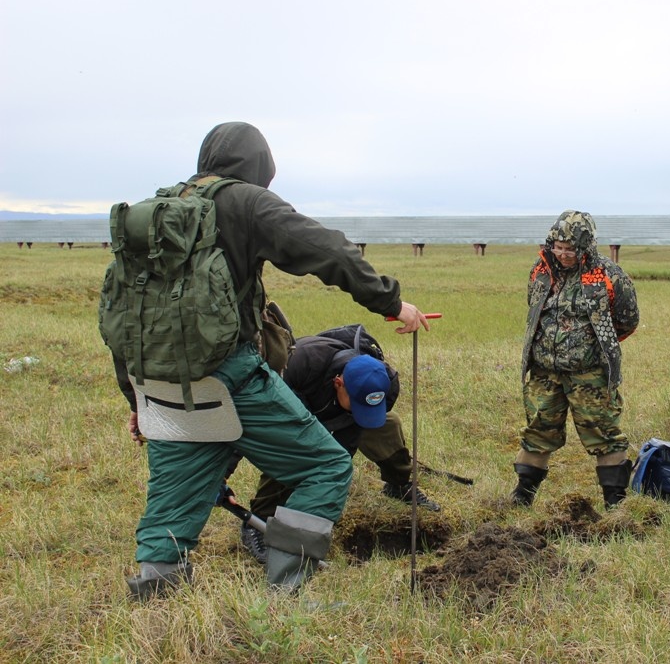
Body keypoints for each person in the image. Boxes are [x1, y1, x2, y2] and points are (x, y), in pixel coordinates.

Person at [112, 121, 430, 599]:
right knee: (326, 466)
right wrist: (389, 301)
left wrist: (136, 399)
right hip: (230, 372)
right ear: (261, 168)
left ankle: (157, 593)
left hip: (158, 381)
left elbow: (126, 315)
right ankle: (285, 594)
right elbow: (325, 248)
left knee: (174, 493)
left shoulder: (154, 214)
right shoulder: (245, 201)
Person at [238, 329, 440, 564]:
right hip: (299, 408)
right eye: (355, 404)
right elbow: (253, 420)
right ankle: (258, 520)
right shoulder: (301, 366)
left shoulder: (386, 383)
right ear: (339, 383)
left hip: (337, 411)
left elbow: (349, 438)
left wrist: (335, 478)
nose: (359, 411)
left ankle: (398, 484)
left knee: (387, 424)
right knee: (297, 454)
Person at [510, 210, 640, 509]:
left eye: (571, 249)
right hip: (544, 372)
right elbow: (534, 307)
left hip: (590, 374)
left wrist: (590, 347)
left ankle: (616, 504)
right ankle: (522, 497)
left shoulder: (609, 275)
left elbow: (628, 319)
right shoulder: (541, 271)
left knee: (604, 433)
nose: (564, 254)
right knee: (538, 430)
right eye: (559, 247)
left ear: (586, 246)